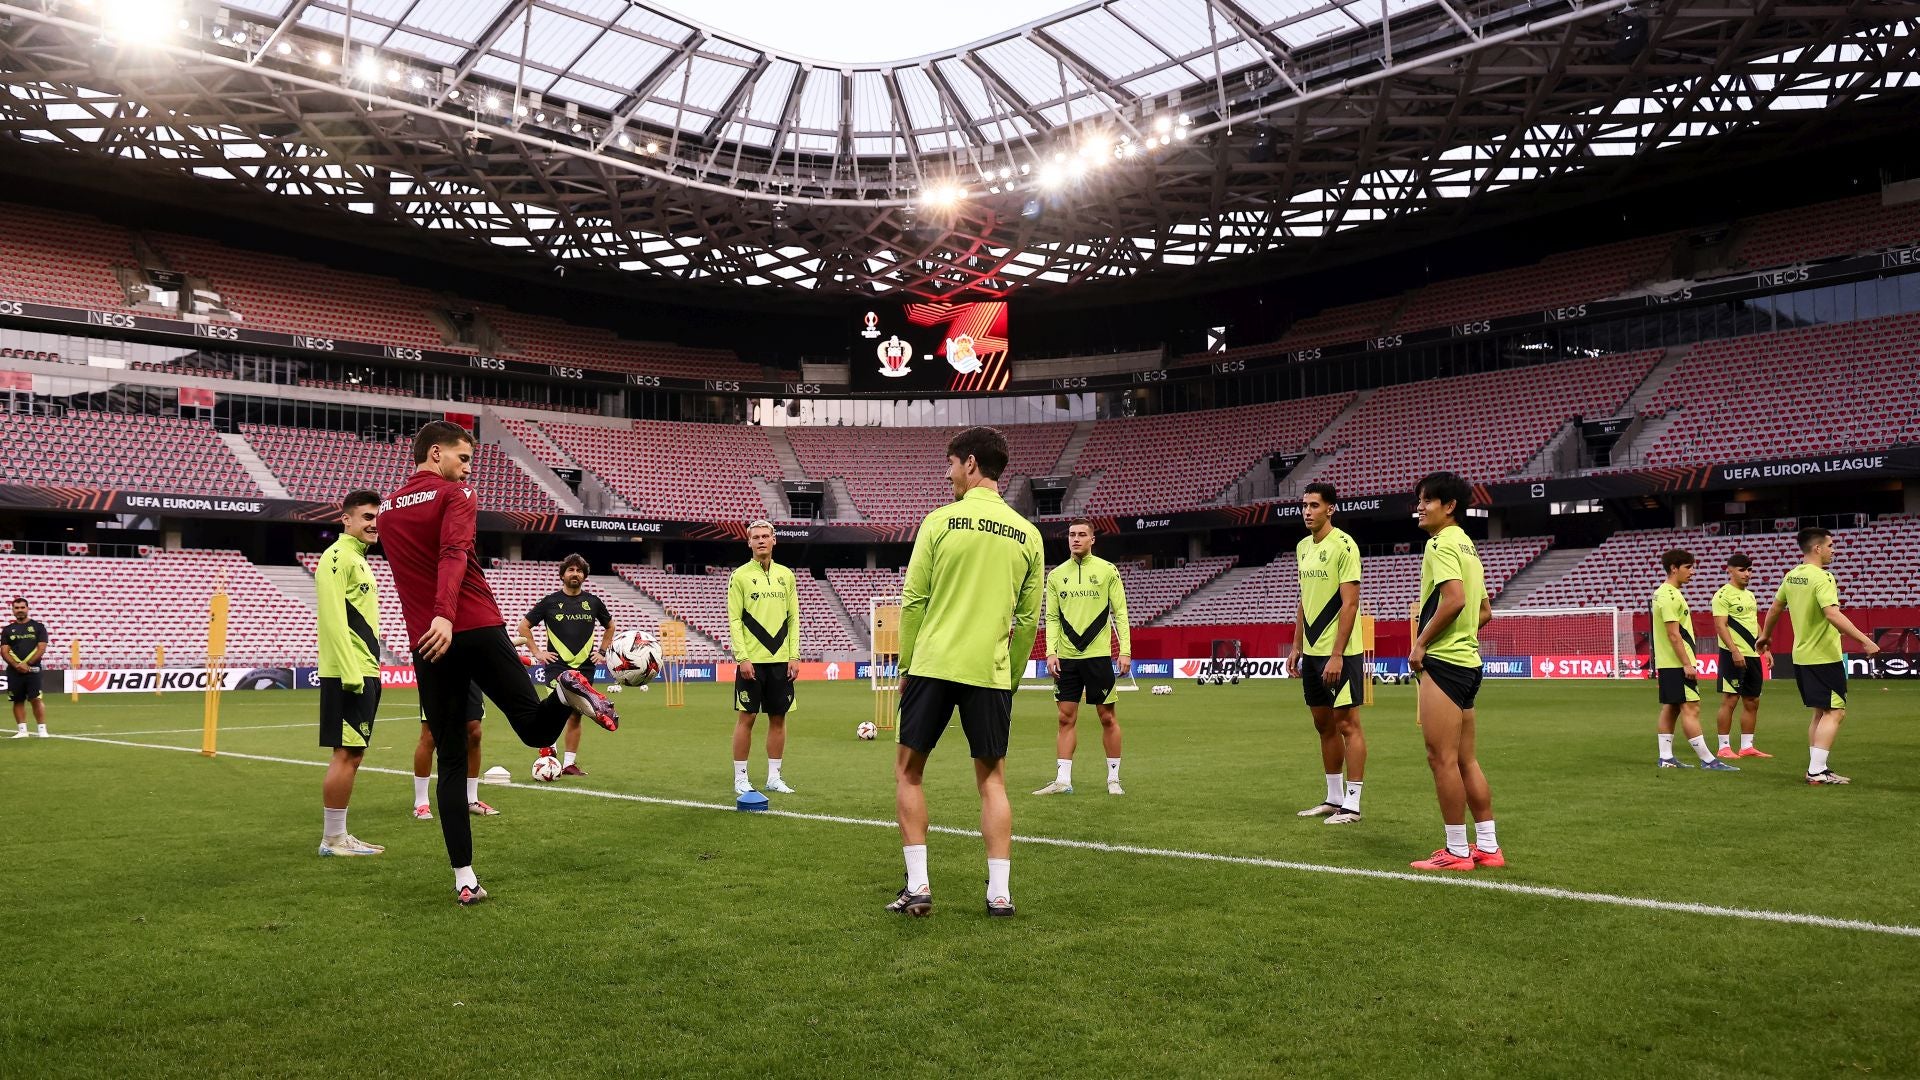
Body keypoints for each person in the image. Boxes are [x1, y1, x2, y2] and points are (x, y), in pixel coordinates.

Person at [378, 420, 619, 905]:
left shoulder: (386, 512)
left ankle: (465, 877)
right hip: (473, 626)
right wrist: (448, 614)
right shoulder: (458, 495)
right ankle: (568, 688)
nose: (467, 469)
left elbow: (418, 568)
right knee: (534, 731)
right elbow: (452, 555)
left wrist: (436, 619)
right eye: (462, 458)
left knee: (450, 760)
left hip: (428, 641)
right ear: (436, 454)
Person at [887, 426, 1044, 918]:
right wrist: (1011, 675)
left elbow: (913, 600)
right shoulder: (1030, 535)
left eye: (952, 464)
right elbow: (1027, 619)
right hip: (989, 670)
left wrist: (907, 663)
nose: (949, 473)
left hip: (933, 663)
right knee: (993, 780)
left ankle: (919, 886)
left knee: (909, 773)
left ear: (971, 464)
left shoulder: (939, 522)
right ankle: (999, 893)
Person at [1406, 472, 1504, 872]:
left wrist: (1421, 643)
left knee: (1441, 758)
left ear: (1449, 506)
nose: (1419, 506)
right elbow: (1483, 611)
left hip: (1444, 665)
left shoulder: (1441, 544)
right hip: (1468, 664)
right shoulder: (1468, 545)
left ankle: (1457, 852)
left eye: (1427, 500)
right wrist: (1460, 636)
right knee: (1466, 760)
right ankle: (1488, 847)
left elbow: (1454, 601)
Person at [1759, 527, 1882, 785]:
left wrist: (1765, 636)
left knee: (1820, 712)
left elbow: (1775, 608)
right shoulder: (1823, 578)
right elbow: (1832, 614)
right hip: (1824, 656)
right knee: (1836, 712)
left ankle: (1817, 769)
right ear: (1817, 548)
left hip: (1802, 655)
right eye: (1830, 545)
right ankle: (1817, 771)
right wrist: (1865, 640)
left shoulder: (1792, 576)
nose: (1833, 550)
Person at [1286, 483, 1367, 824]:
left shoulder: (1344, 545)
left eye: (1314, 505)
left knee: (1347, 724)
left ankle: (1353, 804)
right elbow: (1305, 600)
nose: (1307, 511)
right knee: (1323, 725)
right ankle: (1333, 799)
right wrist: (1295, 646)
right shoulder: (1302, 547)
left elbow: (1350, 603)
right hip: (1311, 651)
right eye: (1304, 505)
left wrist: (1336, 654)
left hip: (1341, 653)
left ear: (1330, 509)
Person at [1034, 519, 1130, 797]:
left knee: (1107, 717)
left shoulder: (1107, 571)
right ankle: (1063, 781)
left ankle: (1114, 779)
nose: (1075, 539)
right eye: (1072, 535)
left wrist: (1125, 650)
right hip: (1067, 658)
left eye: (1081, 535)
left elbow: (1119, 613)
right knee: (1065, 718)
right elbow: (1051, 617)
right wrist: (1051, 651)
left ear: (1092, 540)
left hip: (1098, 656)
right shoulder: (1055, 576)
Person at [315, 491, 387, 857]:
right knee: (346, 755)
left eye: (376, 517)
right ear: (346, 519)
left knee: (353, 754)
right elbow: (332, 618)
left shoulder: (359, 560)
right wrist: (351, 673)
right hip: (349, 674)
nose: (373, 523)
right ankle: (332, 840)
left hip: (365, 670)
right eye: (366, 516)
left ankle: (339, 836)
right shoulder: (336, 557)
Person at [519, 554, 616, 777]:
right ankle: (547, 756)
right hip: (557, 666)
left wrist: (602, 652)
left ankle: (569, 764)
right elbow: (524, 627)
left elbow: (610, 626)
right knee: (554, 711)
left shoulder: (593, 602)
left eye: (579, 570)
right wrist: (537, 652)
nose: (575, 574)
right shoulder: (550, 602)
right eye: (571, 570)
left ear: (584, 576)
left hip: (584, 667)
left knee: (576, 714)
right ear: (562, 575)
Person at [727, 521, 800, 795]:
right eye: (755, 537)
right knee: (747, 718)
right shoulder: (740, 576)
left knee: (778, 718)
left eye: (765, 536)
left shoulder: (786, 576)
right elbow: (734, 619)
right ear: (749, 543)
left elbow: (793, 618)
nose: (760, 541)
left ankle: (774, 777)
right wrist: (742, 657)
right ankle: (741, 778)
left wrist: (794, 655)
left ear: (774, 540)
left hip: (782, 660)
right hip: (752, 662)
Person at [1649, 550, 1736, 771]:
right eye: (1688, 567)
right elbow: (1673, 634)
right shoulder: (1669, 596)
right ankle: (1708, 760)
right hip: (1677, 663)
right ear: (1673, 568)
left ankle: (1666, 758)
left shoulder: (1664, 593)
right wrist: (1687, 663)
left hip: (1668, 662)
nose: (1693, 572)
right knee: (1691, 707)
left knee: (1672, 708)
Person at [1712, 553, 1771, 760]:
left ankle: (1747, 746)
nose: (1747, 574)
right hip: (1732, 654)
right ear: (1730, 570)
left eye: (1749, 570)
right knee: (1730, 699)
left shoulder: (1750, 595)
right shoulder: (1722, 595)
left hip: (1753, 654)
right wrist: (1735, 651)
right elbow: (1720, 625)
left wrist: (1765, 647)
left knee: (1752, 700)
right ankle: (1724, 747)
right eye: (1742, 570)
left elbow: (1753, 622)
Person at [412, 685, 494, 819]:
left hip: (469, 671)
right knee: (430, 735)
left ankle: (471, 799)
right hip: (436, 670)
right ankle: (421, 802)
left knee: (474, 733)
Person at [4, 597, 49, 739]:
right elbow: (4, 651)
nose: (20, 610)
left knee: (36, 699)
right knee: (17, 700)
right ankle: (22, 731)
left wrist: (27, 664)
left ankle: (42, 730)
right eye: (16, 608)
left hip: (33, 670)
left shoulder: (38, 627)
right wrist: (16, 665)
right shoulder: (7, 630)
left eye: (22, 607)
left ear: (27, 608)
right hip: (14, 671)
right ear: (12, 610)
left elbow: (41, 648)